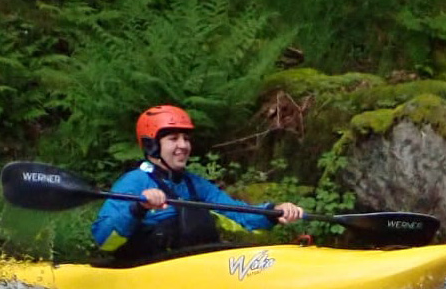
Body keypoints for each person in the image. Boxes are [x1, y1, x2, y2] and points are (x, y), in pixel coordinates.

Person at [91, 104, 305, 262]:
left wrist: (274, 212)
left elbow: (238, 215)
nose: (183, 145)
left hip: (193, 271)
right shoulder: (134, 182)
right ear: (152, 146)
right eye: (173, 139)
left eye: (186, 139)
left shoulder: (195, 184)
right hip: (144, 274)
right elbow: (104, 240)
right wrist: (138, 208)